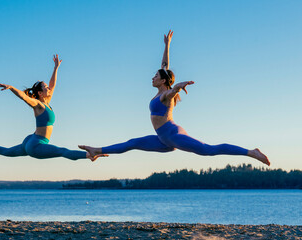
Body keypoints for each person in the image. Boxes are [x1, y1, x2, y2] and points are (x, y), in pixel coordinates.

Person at [79, 31, 270, 166]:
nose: (152, 77)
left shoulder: (165, 95)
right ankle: (97, 150)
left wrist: (178, 87)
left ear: (163, 81)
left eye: (155, 76)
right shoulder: (161, 88)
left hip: (172, 135)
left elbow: (171, 92)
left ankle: (251, 152)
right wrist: (167, 45)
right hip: (164, 139)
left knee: (208, 150)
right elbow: (165, 65)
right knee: (132, 143)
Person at [0, 54, 107, 162]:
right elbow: (24, 97)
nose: (49, 88)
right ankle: (89, 155)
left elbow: (53, 84)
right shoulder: (38, 105)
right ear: (40, 93)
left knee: (7, 151)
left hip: (31, 139)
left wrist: (56, 68)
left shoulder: (46, 102)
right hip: (36, 144)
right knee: (62, 151)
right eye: (45, 87)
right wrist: (11, 88)